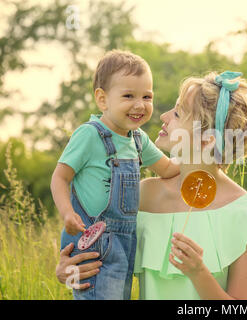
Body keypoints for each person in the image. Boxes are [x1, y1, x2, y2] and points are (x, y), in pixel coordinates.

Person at [56, 71, 247, 300]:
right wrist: (70, 270)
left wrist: (198, 273)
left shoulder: (244, 214)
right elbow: (93, 243)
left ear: (207, 139)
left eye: (177, 113)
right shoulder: (144, 195)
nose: (163, 116)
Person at [50, 50, 180, 300]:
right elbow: (60, 177)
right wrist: (67, 212)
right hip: (94, 245)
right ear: (102, 99)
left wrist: (205, 154)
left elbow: (169, 169)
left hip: (124, 244)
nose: (140, 104)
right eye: (128, 96)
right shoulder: (89, 135)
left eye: (147, 96)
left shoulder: (139, 139)